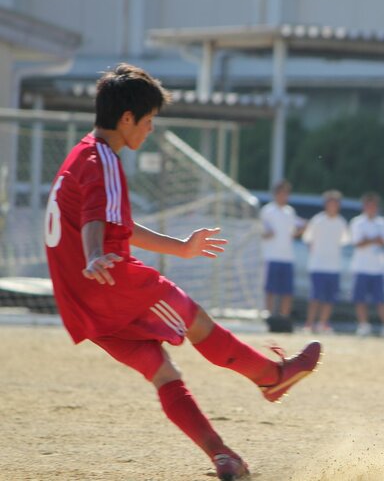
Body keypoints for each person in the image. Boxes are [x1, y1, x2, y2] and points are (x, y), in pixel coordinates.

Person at [43, 64, 321, 481]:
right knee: (196, 322)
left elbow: (114, 223)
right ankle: (272, 377)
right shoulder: (105, 162)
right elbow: (94, 222)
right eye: (150, 120)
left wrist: (181, 248)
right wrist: (95, 254)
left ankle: (223, 456)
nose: (151, 129)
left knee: (164, 373)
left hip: (81, 302)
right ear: (126, 119)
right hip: (113, 284)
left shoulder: (81, 153)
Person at [349, 192, 384, 338]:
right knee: (360, 299)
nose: (371, 208)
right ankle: (363, 325)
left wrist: (369, 240)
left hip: (378, 267)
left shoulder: (382, 223)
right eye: (369, 205)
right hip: (361, 266)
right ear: (364, 207)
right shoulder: (357, 222)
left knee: (381, 300)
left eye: (374, 206)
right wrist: (373, 240)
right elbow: (358, 243)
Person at [301, 190, 350, 334]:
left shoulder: (341, 222)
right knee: (315, 297)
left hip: (333, 266)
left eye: (335, 203)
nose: (333, 205)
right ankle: (309, 324)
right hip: (318, 265)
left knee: (329, 298)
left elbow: (345, 241)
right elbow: (307, 239)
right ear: (326, 204)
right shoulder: (318, 220)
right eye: (330, 202)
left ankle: (322, 324)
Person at [260, 179, 305, 319]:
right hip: (271, 256)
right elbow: (261, 232)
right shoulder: (268, 210)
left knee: (287, 291)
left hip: (287, 256)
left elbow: (293, 233)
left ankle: (284, 317)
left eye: (286, 193)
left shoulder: (289, 211)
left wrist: (302, 230)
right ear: (275, 194)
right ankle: (269, 315)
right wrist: (267, 233)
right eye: (281, 193)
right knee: (270, 290)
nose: (284, 196)